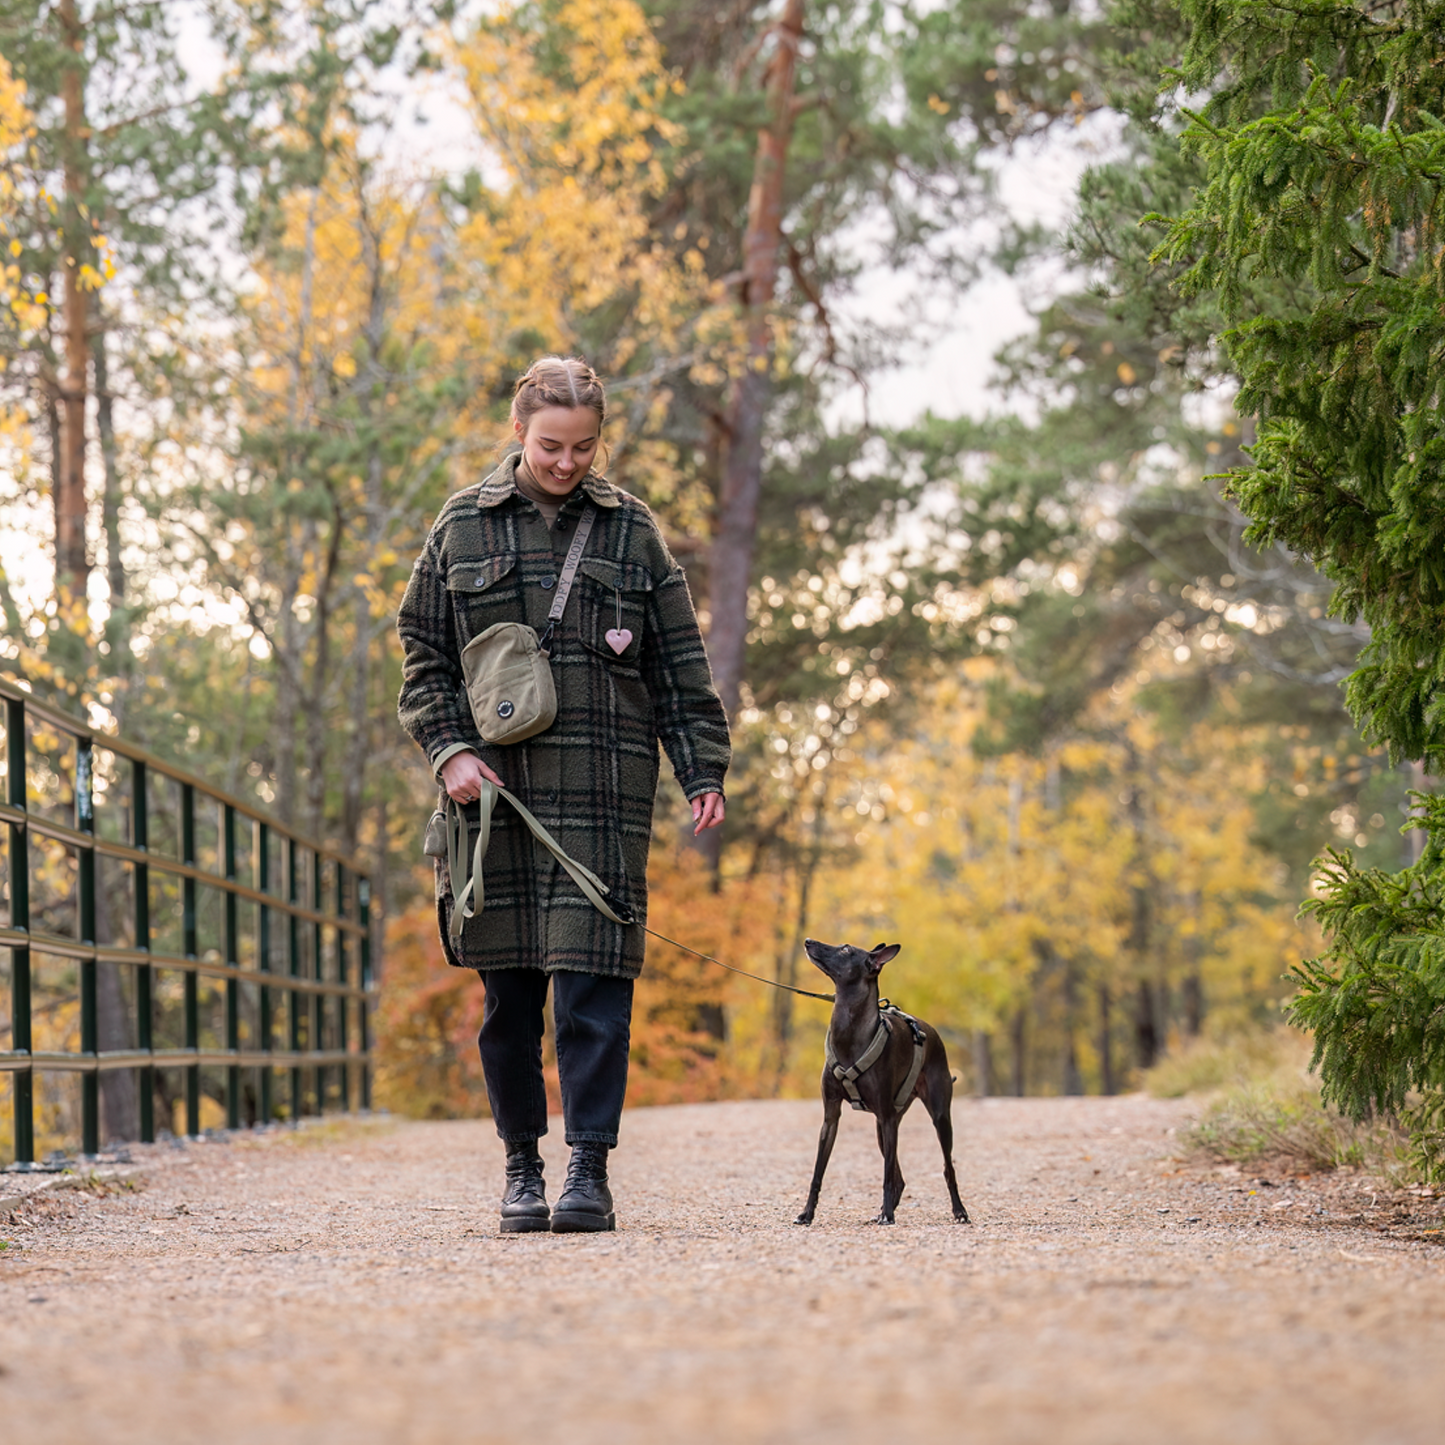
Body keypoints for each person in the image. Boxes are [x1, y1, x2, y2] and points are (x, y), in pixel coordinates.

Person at [397, 356, 730, 1234]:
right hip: (491, 803)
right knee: (509, 1000)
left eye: (583, 448)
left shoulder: (632, 532)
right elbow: (422, 655)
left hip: (602, 791)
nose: (565, 463)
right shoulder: (461, 527)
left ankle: (588, 1169)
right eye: (550, 445)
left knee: (593, 993)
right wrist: (448, 752)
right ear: (519, 432)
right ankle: (519, 1169)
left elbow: (677, 664)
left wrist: (702, 768)